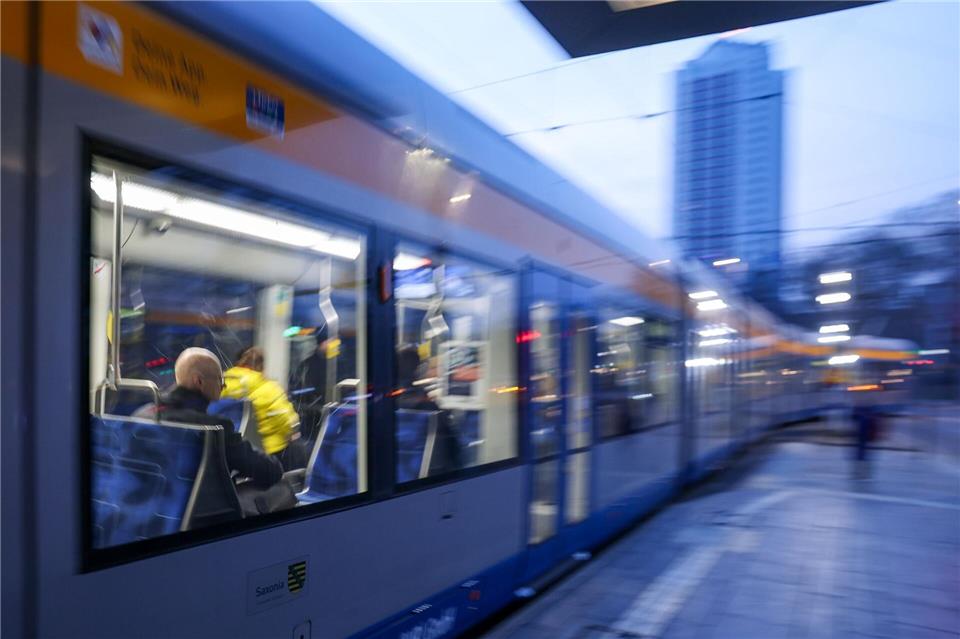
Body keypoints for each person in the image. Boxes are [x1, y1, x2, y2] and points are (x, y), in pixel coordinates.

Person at [136, 347, 283, 490]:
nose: (223, 386)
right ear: (199, 382)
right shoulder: (213, 428)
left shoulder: (143, 414)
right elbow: (270, 471)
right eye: (220, 379)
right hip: (203, 509)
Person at [222, 346, 308, 471]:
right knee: (300, 451)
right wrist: (292, 432)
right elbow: (286, 420)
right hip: (267, 451)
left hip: (231, 449)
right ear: (261, 366)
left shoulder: (223, 383)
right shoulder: (270, 388)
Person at [395, 345, 462, 475]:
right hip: (429, 474)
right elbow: (453, 446)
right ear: (417, 369)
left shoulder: (385, 402)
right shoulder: (427, 406)